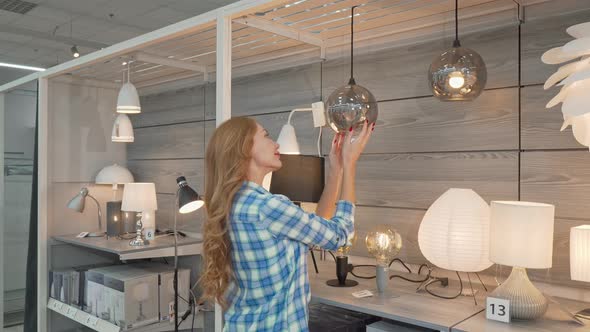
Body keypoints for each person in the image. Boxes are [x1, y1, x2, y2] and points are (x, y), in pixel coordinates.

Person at [200, 116, 374, 331]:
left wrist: (336, 171)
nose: (276, 144)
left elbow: (314, 228)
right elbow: (340, 236)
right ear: (245, 148)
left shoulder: (234, 203)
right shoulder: (269, 207)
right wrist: (350, 165)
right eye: (266, 135)